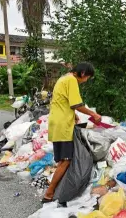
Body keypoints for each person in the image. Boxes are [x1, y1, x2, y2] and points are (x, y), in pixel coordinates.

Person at [42, 62, 102, 203]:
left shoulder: (63, 78)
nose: (86, 80)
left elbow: (62, 101)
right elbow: (76, 104)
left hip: (57, 121)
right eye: (88, 77)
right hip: (63, 125)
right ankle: (49, 194)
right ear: (82, 74)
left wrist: (73, 114)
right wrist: (94, 114)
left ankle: (57, 189)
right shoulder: (71, 80)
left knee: (63, 160)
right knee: (66, 160)